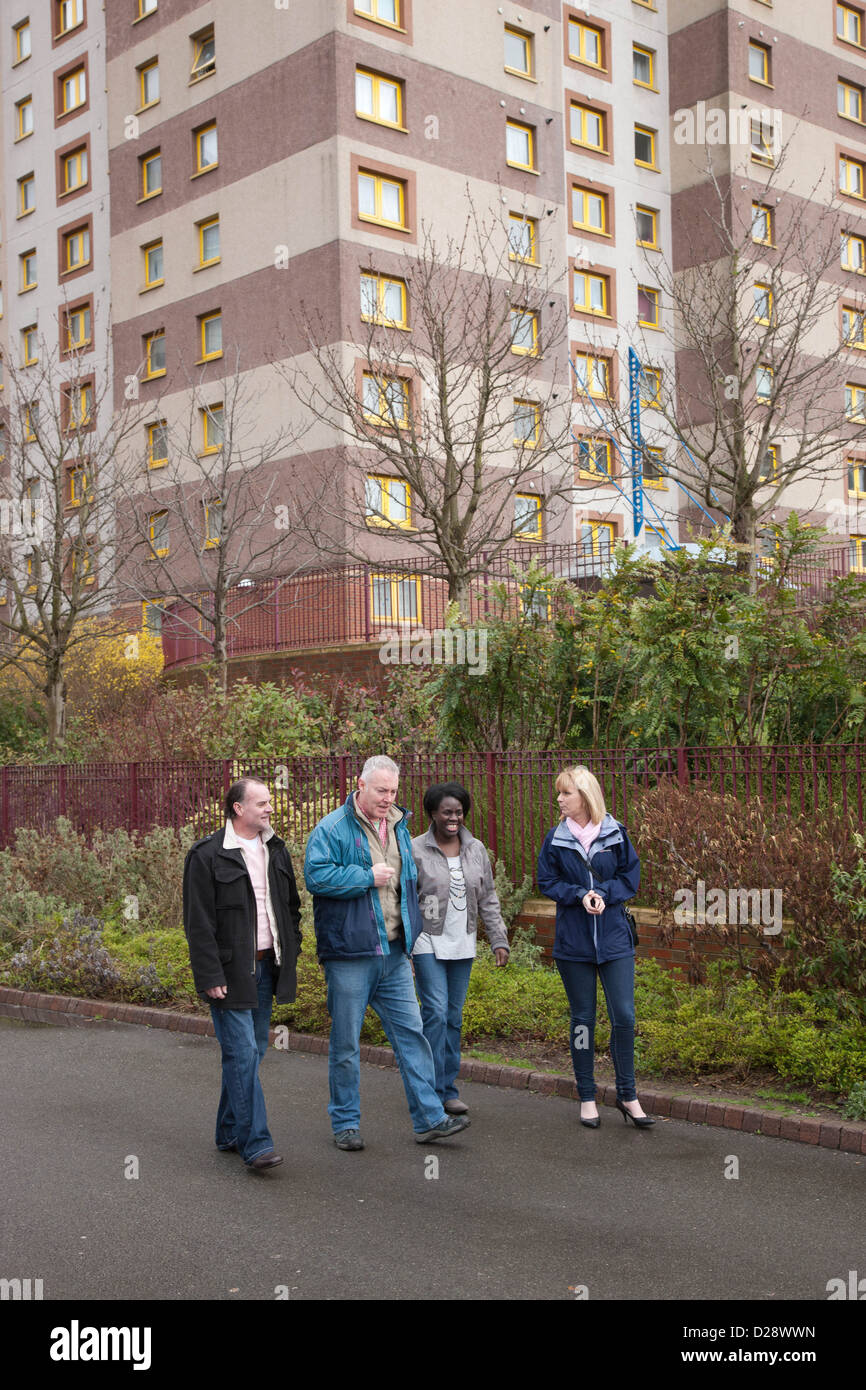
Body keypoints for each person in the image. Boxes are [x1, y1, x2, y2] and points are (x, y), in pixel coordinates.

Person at [304, 755, 470, 1151]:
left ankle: (430, 1119)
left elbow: (406, 889)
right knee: (346, 1044)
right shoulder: (332, 828)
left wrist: (411, 943)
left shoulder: (398, 825)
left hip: (394, 954)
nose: (387, 798)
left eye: (393, 791)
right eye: (381, 790)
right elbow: (315, 876)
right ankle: (345, 1123)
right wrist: (364, 876)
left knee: (413, 1037)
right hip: (350, 956)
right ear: (360, 785)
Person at [183, 777, 302, 1170]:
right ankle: (256, 1144)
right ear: (238, 808)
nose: (270, 809)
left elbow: (291, 908)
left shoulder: (276, 849)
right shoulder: (207, 855)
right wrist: (208, 974)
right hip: (230, 972)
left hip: (267, 966)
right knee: (243, 1053)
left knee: (249, 1055)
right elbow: (197, 922)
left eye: (270, 802)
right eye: (262, 803)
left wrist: (293, 949)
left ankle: (228, 1131)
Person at [536, 765, 654, 1130]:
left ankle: (627, 1094)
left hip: (615, 941)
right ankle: (587, 1096)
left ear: (585, 797)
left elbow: (629, 878)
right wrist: (578, 894)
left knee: (625, 1016)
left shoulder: (616, 833)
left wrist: (602, 893)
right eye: (559, 793)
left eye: (565, 793)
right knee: (583, 1020)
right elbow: (546, 881)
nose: (559, 799)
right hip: (574, 945)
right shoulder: (554, 839)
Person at [411, 782, 509, 1115]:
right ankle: (427, 1089)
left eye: (458, 811)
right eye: (446, 812)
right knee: (435, 1013)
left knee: (452, 1018)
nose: (454, 818)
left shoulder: (476, 849)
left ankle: (446, 1088)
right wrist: (405, 944)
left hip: (462, 942)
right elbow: (404, 899)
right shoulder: (415, 849)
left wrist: (498, 939)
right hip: (427, 941)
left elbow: (488, 898)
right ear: (432, 814)